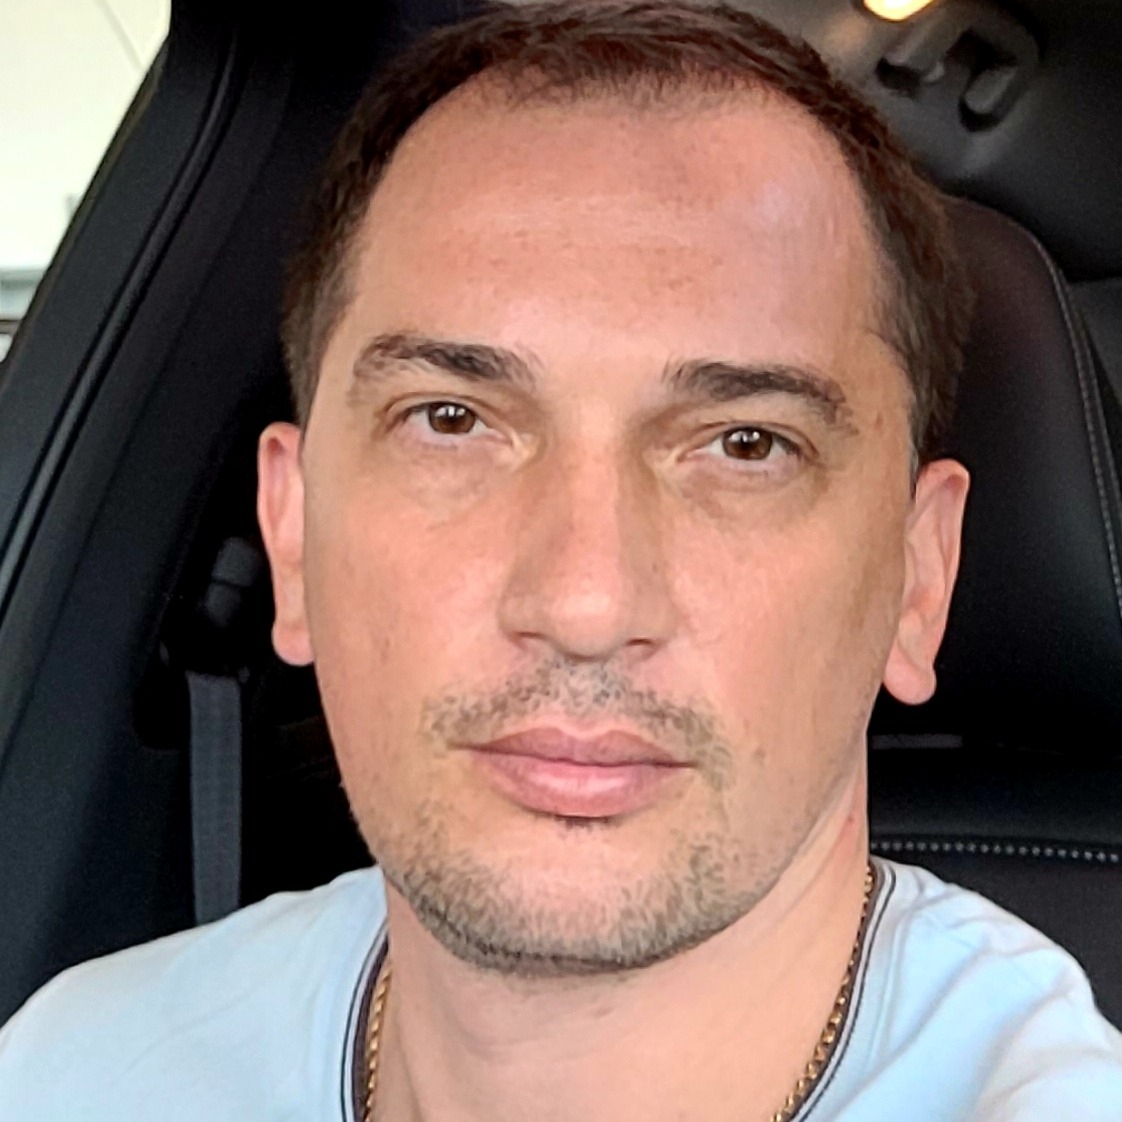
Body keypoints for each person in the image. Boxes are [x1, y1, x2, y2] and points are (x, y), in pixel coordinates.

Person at [2, 2, 1121, 1119]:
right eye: (450, 421)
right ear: (291, 535)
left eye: (746, 445)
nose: (585, 602)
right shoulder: (72, 1067)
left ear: (919, 578)